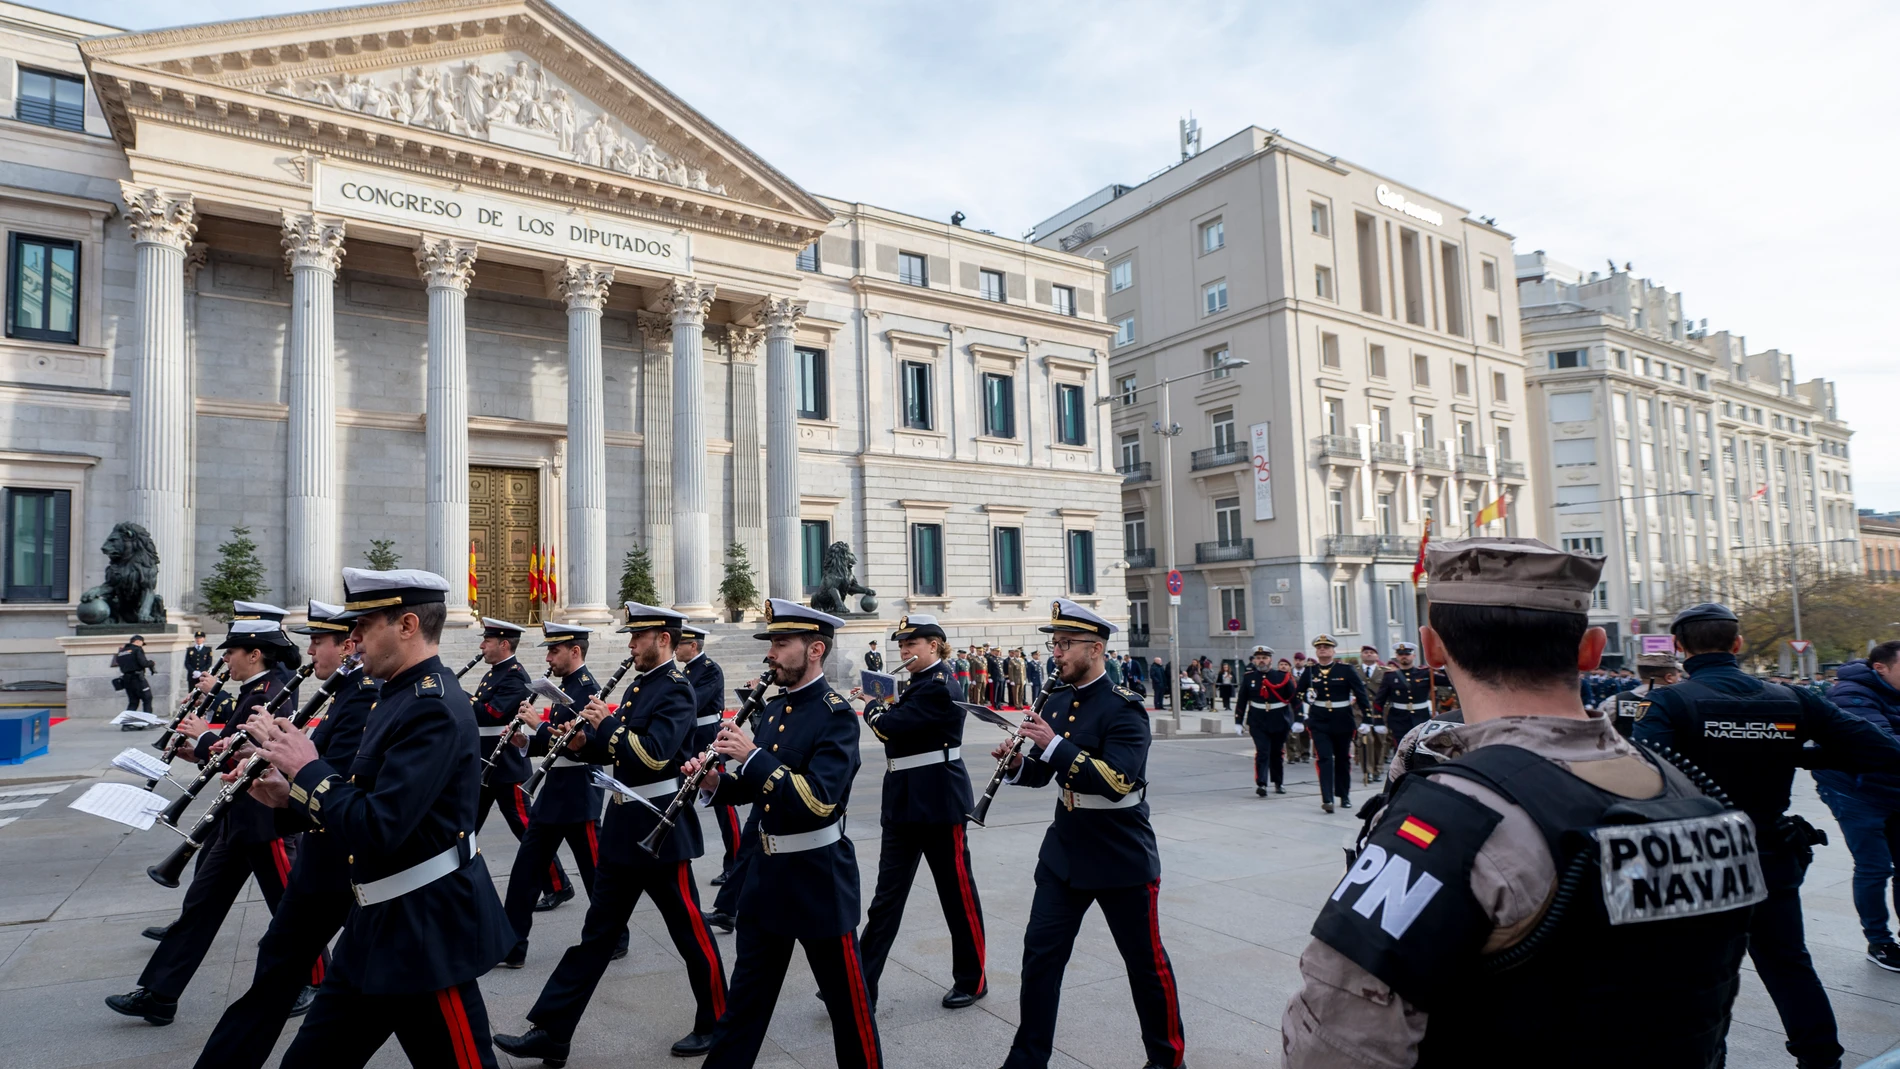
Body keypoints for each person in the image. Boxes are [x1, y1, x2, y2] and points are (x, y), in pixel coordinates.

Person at [1283, 537, 1760, 1069]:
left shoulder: (1456, 817)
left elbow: (1338, 1045)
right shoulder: (1689, 792)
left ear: (1432, 648)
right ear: (1592, 649)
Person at [243, 568, 515, 1068]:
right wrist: (290, 796)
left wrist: (308, 768)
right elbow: (363, 800)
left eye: (363, 626)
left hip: (425, 930)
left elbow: (380, 827)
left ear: (407, 624)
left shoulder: (430, 706)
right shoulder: (396, 693)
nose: (352, 640)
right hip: (376, 924)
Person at [1635, 603, 1900, 1069]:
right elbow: (1880, 749)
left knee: (1697, 974)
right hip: (1768, 848)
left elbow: (1642, 779)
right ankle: (1821, 1059)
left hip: (1697, 856)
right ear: (1737, 645)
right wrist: (1794, 754)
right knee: (1788, 963)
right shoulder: (1790, 700)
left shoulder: (1668, 703)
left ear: (1678, 648)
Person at [495, 603, 729, 1062]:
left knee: (689, 933)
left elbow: (656, 755)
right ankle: (554, 1031)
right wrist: (583, 742)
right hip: (625, 828)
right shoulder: (642, 684)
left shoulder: (677, 690)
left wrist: (608, 725)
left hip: (661, 829)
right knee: (596, 936)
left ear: (663, 639)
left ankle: (718, 1020)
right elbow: (615, 751)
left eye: (637, 637)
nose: (629, 645)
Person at [688, 599, 882, 1069]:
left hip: (819, 881)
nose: (771, 653)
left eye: (781, 643)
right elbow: (762, 791)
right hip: (766, 878)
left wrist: (752, 756)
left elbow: (819, 802)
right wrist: (716, 783)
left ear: (815, 649)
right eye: (771, 643)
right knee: (743, 1010)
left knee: (848, 1011)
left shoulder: (835, 715)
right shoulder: (772, 709)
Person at [991, 599, 1184, 1069]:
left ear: (1095, 649)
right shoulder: (1055, 699)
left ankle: (1167, 1060)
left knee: (1145, 965)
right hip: (1065, 851)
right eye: (1053, 643)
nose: (1055, 653)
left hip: (1121, 854)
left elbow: (1117, 780)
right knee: (1040, 958)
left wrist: (1052, 745)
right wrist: (1017, 764)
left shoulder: (1126, 710)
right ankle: (1027, 1058)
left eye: (1065, 644)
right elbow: (1043, 775)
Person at [191, 600, 379, 1069]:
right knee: (282, 972)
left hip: (341, 856)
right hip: (328, 851)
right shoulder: (347, 692)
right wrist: (268, 768)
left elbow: (337, 777)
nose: (310, 649)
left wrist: (285, 773)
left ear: (348, 645)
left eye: (319, 641)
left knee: (309, 979)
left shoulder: (364, 694)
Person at [107, 608, 302, 1026]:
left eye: (231, 651)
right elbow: (227, 752)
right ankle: (160, 994)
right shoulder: (254, 686)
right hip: (237, 816)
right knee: (200, 907)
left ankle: (313, 977)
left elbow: (251, 748)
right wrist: (196, 751)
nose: (225, 659)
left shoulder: (275, 689)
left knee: (292, 907)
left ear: (254, 653)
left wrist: (205, 736)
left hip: (263, 818)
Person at [855, 613, 987, 1011]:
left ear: (934, 646)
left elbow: (891, 728)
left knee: (956, 895)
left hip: (939, 802)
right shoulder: (915, 686)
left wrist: (873, 706)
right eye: (901, 645)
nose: (905, 651)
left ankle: (972, 978)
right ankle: (861, 982)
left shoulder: (941, 685)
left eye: (913, 644)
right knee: (885, 900)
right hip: (902, 802)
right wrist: (884, 704)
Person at [501, 622, 623, 967]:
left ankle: (615, 936)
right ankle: (512, 945)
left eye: (554, 651)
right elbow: (554, 741)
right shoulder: (564, 687)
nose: (549, 657)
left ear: (575, 651)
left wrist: (537, 726)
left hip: (577, 794)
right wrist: (526, 740)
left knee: (596, 873)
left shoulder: (586, 690)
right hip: (554, 794)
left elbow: (577, 745)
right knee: (525, 873)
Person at [469, 617, 572, 911]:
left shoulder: (514, 675)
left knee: (528, 829)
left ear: (503, 644)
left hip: (506, 766)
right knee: (467, 823)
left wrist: (460, 698)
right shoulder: (494, 673)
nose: (482, 645)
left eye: (487, 641)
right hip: (485, 762)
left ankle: (558, 884)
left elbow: (491, 713)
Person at [1813, 641, 1900, 971]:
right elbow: (1882, 742)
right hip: (1856, 790)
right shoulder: (1849, 693)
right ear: (1881, 667)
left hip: (1893, 787)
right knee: (1875, 866)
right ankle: (1879, 941)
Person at [678, 624, 741, 888]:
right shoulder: (688, 671)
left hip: (709, 742)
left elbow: (693, 701)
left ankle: (735, 863)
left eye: (680, 643)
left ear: (693, 646)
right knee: (679, 803)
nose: (676, 648)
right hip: (690, 742)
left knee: (724, 808)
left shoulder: (710, 669)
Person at [1295, 635, 1371, 814]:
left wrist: (1367, 719)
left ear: (1333, 651)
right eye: (1319, 647)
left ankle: (1344, 795)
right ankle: (1327, 798)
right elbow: (1298, 694)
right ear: (1316, 651)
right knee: (1325, 759)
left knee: (1343, 759)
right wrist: (1306, 698)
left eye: (1326, 647)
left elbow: (1361, 694)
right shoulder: (1310, 671)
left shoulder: (1346, 670)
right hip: (1319, 721)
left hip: (1343, 720)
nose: (1323, 649)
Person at [1237, 646, 1295, 796]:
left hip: (1278, 719)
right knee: (1262, 752)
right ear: (1254, 660)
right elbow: (1242, 699)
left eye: (1264, 658)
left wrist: (1298, 719)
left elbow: (1294, 698)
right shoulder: (1249, 677)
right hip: (1258, 720)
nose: (1261, 661)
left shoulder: (1282, 676)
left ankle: (1278, 782)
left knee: (1276, 753)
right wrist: (1238, 721)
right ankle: (1261, 783)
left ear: (1270, 660)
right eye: (1258, 658)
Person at [1593, 651, 1682, 738]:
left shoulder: (1614, 702)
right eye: (1677, 674)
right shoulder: (1681, 700)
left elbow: (1597, 734)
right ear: (1669, 678)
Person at [114, 634, 156, 718]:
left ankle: (126, 724)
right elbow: (143, 663)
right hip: (138, 678)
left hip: (126, 679)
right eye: (141, 643)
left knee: (133, 701)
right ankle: (147, 721)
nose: (142, 645)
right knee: (147, 698)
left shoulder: (121, 651)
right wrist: (151, 663)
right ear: (137, 641)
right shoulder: (137, 649)